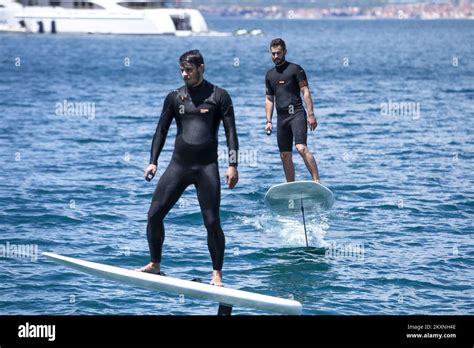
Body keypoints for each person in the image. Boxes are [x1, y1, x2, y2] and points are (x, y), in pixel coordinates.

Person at [136, 50, 239, 287]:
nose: (184, 74)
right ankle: (155, 264)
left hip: (207, 167)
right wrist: (153, 161)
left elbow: (231, 133)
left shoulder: (219, 96)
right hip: (179, 165)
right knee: (154, 215)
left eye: (189, 70)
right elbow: (160, 130)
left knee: (212, 222)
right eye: (182, 70)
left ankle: (216, 274)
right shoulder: (174, 97)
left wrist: (233, 164)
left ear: (201, 68)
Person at [265, 38, 320, 183]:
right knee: (285, 155)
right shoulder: (270, 75)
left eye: (278, 53)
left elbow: (305, 91)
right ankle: (291, 185)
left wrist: (311, 114)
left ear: (285, 52)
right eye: (273, 54)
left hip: (296, 113)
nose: (276, 56)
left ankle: (316, 180)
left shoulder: (296, 69)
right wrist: (268, 121)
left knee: (301, 148)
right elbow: (269, 99)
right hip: (281, 118)